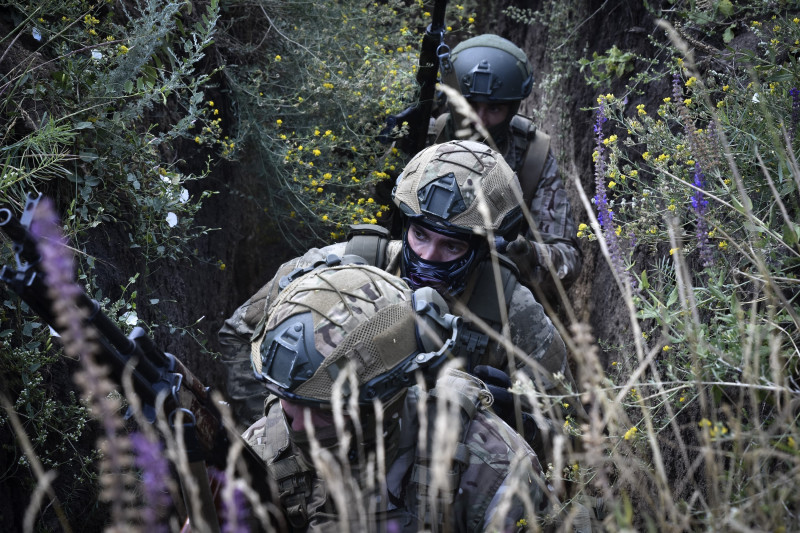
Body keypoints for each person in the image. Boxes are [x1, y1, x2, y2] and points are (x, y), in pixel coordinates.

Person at [220, 140, 580, 436]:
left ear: (484, 248)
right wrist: (278, 428)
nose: (427, 257)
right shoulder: (341, 267)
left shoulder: (512, 310)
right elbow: (239, 335)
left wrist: (520, 424)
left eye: (451, 246)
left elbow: (570, 425)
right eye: (419, 234)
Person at [241, 262, 563, 531]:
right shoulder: (262, 453)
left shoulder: (488, 468)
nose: (292, 419)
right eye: (284, 395)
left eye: (320, 407)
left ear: (382, 401)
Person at [434, 34, 583, 305]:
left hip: (494, 296)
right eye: (469, 105)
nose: (479, 120)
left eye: (494, 108)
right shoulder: (426, 136)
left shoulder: (532, 155)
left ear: (512, 107)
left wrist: (523, 252)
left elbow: (568, 261)